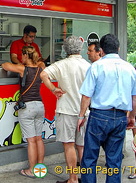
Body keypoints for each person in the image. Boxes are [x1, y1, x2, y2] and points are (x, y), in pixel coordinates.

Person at [77, 33, 136, 183]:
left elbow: (86, 96)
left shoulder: (96, 67)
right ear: (118, 48)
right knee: (114, 160)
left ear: (101, 50)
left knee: (89, 159)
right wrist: (131, 116)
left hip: (98, 115)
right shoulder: (129, 68)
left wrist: (81, 116)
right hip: (120, 117)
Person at [40, 36, 90, 183]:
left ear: (65, 49)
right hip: (84, 111)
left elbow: (43, 74)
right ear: (80, 48)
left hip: (66, 110)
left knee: (69, 145)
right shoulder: (88, 66)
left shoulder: (61, 64)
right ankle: (86, 178)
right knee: (82, 146)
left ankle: (72, 179)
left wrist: (53, 89)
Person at [2, 46, 45, 178]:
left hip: (27, 107)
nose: (21, 58)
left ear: (26, 56)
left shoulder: (23, 69)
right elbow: (42, 63)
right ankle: (40, 170)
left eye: (22, 55)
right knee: (39, 139)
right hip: (40, 106)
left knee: (31, 141)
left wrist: (19, 63)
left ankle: (31, 170)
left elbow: (5, 65)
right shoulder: (40, 68)